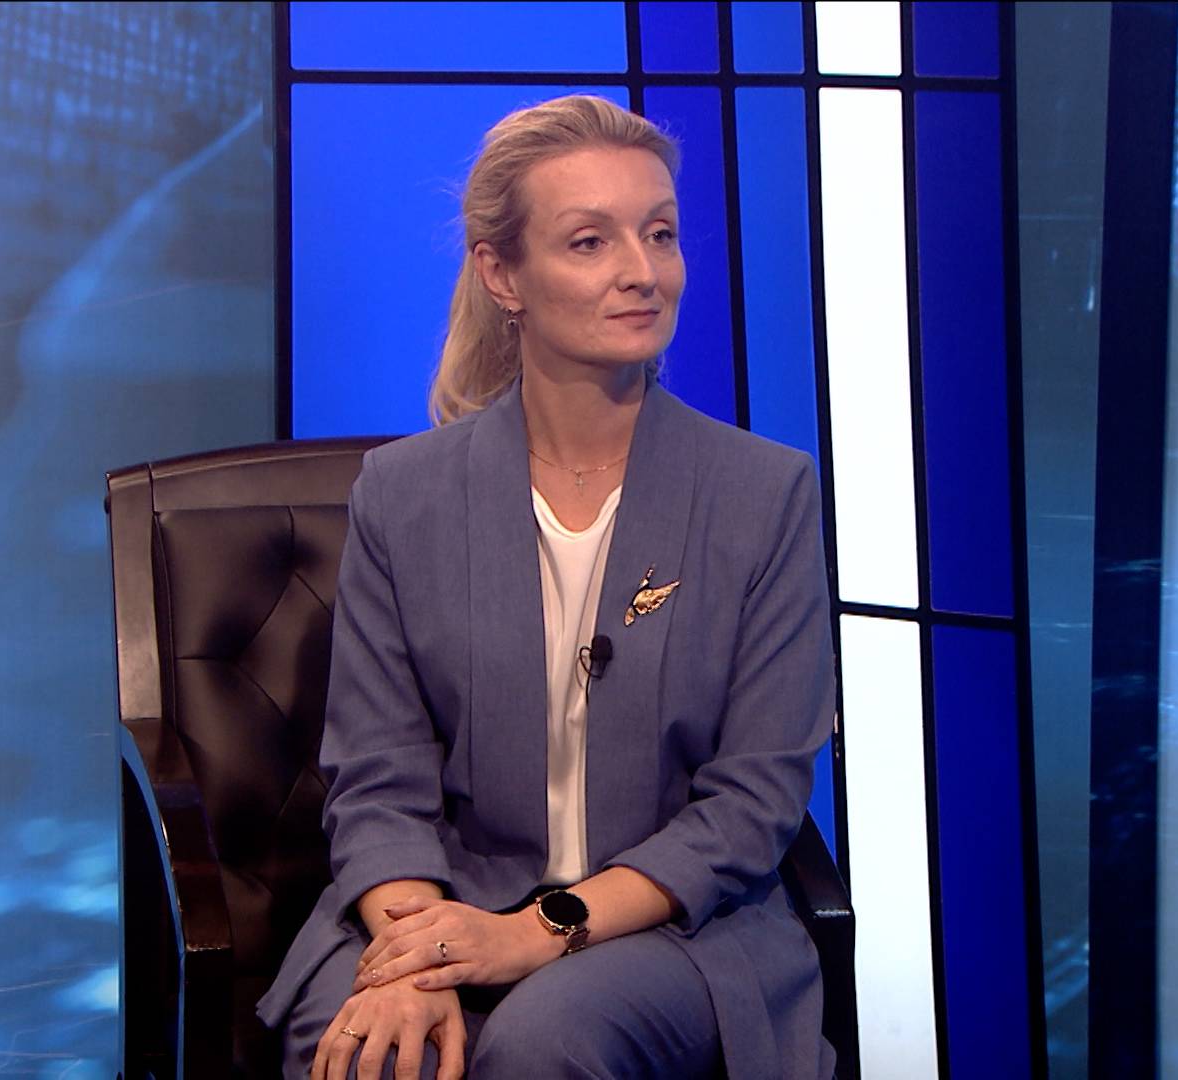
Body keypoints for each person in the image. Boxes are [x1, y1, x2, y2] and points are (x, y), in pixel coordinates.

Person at [256, 94, 836, 1080]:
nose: (642, 271)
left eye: (661, 234)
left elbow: (752, 803)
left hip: (675, 929)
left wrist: (533, 933)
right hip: (441, 895)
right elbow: (380, 777)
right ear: (502, 273)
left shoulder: (763, 494)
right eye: (590, 241)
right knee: (373, 1051)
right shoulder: (403, 494)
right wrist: (419, 954)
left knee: (544, 1040)